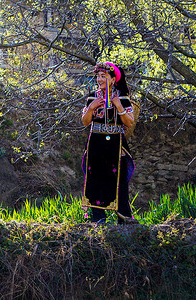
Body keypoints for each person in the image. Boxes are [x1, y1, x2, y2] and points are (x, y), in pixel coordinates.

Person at [81, 62, 135, 224]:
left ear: (113, 79)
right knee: (95, 178)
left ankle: (123, 217)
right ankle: (98, 217)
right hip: (96, 145)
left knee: (119, 179)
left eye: (103, 76)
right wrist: (91, 109)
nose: (99, 79)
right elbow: (85, 122)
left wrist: (118, 106)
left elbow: (129, 122)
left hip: (116, 146)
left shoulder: (123, 99)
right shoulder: (92, 98)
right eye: (97, 76)